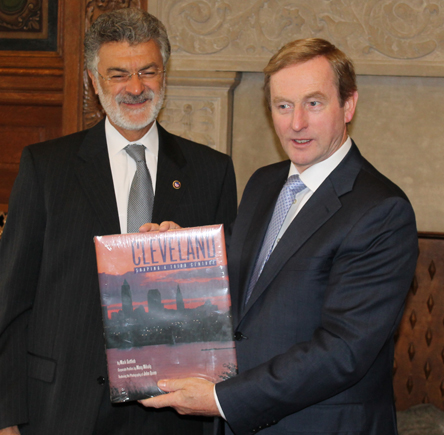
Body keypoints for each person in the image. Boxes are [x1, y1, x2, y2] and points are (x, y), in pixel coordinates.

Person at [140, 38, 419, 434]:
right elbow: (238, 264)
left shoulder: (381, 210)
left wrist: (221, 399)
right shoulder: (265, 183)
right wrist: (177, 247)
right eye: (283, 105)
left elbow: (343, 351)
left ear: (349, 105)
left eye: (314, 103)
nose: (296, 123)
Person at [0, 8, 237, 435]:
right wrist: (4, 418)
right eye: (118, 74)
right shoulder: (46, 169)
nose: (135, 88)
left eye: (148, 71)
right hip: (62, 407)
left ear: (165, 75)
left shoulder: (212, 172)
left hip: (171, 416)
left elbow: (229, 301)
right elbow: (11, 300)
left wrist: (194, 268)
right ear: (93, 82)